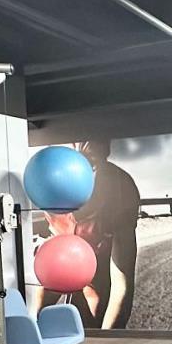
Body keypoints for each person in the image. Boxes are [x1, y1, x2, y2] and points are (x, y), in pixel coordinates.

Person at [61, 139, 141, 329]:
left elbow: (121, 287)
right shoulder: (58, 180)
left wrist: (108, 342)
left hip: (97, 276)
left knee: (96, 312)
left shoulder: (121, 188)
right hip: (69, 262)